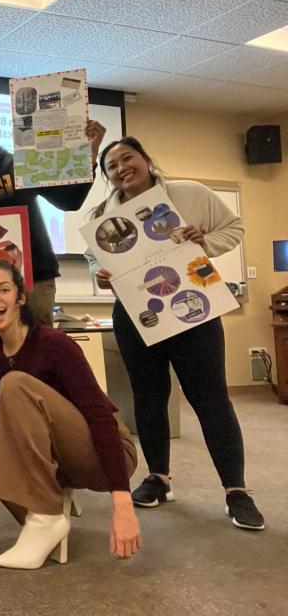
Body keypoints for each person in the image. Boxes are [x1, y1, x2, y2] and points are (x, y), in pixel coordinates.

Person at [87, 137, 265, 530]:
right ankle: (159, 478)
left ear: (146, 159)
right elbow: (93, 261)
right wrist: (98, 274)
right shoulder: (103, 215)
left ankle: (237, 491)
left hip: (193, 309)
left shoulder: (189, 194)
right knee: (149, 399)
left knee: (211, 398)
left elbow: (233, 227)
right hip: (136, 316)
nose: (121, 168)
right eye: (111, 166)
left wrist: (206, 241)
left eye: (127, 158)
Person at [0, 261, 140, 569]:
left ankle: (45, 517)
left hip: (102, 452)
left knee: (15, 384)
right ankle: (46, 515)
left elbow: (98, 414)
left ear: (20, 298)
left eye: (4, 289)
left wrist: (122, 502)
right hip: (54, 457)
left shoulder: (54, 344)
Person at [0, 113, 106, 325]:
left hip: (36, 276)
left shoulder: (22, 166)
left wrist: (91, 153)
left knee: (39, 348)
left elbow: (69, 201)